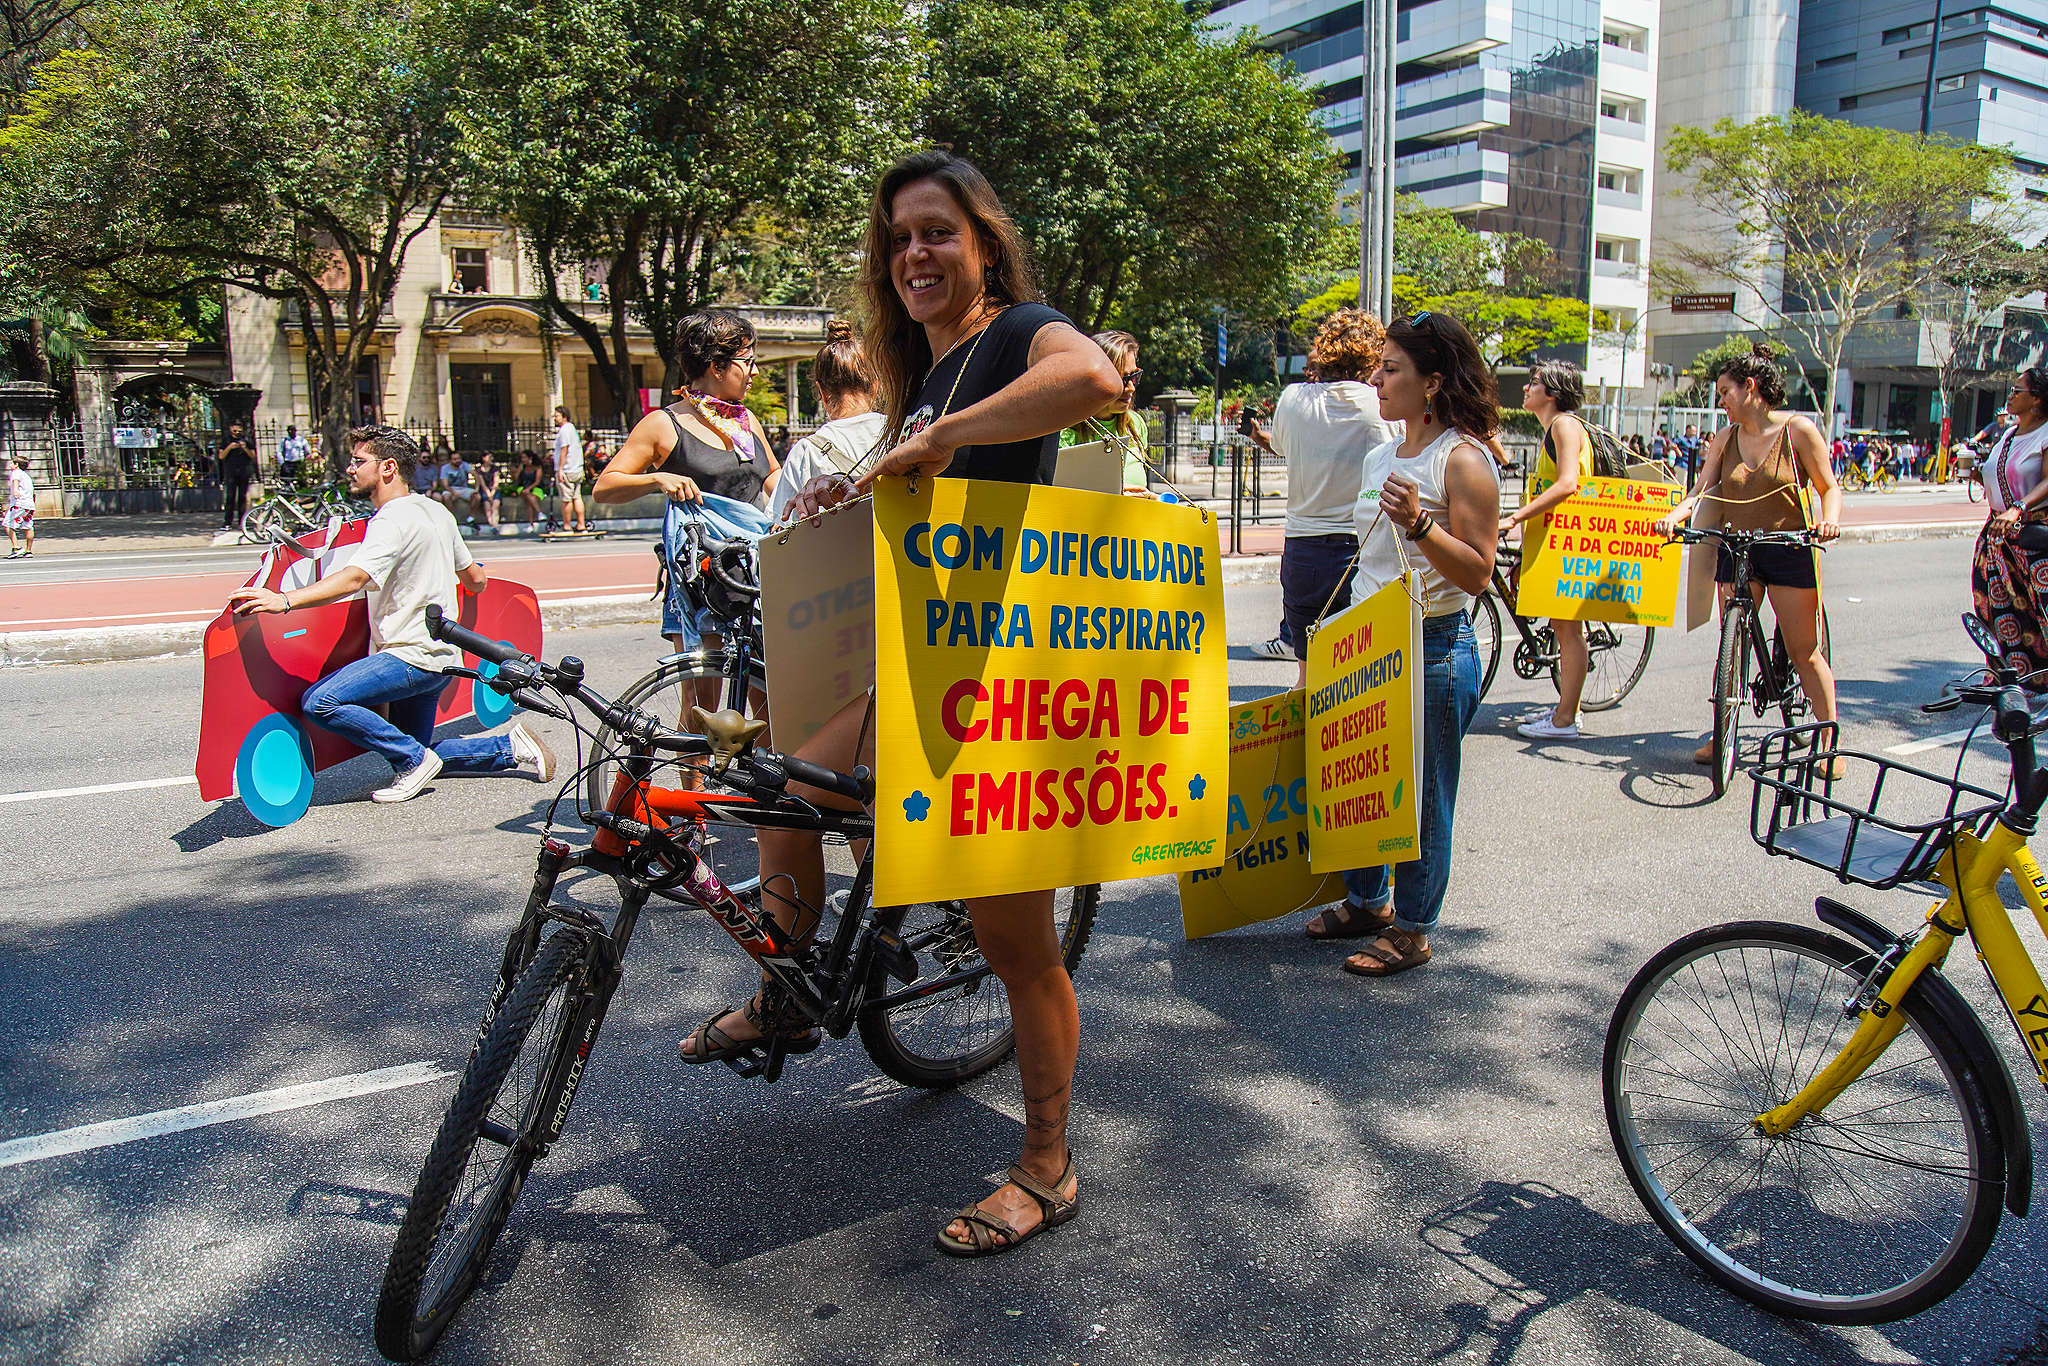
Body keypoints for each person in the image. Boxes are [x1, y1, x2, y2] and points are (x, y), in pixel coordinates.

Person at [768, 149, 1122, 1255]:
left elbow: (1096, 383)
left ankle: (1046, 1164)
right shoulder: (923, 368)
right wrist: (858, 478)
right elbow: (920, 485)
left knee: (1013, 941)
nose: (913, 253)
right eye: (896, 238)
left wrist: (936, 435)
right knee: (790, 795)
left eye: (935, 232)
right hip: (918, 663)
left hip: (1004, 683)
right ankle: (789, 992)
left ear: (981, 242)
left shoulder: (1018, 332)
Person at [1304, 311, 1499, 974]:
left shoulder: (1464, 460)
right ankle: (1367, 900)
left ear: (1433, 382)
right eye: (1378, 366)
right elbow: (1368, 560)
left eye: (1392, 370)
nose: (1377, 378)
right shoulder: (1383, 450)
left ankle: (1413, 928)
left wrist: (1420, 522)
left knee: (1424, 795)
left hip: (1434, 646)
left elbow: (1478, 570)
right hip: (1368, 642)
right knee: (1360, 773)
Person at [227, 426, 557, 802]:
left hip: (408, 656)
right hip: (443, 658)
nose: (350, 469)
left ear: (387, 468)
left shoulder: (389, 519)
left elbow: (355, 577)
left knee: (320, 702)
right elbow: (475, 580)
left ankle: (414, 762)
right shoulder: (436, 511)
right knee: (414, 747)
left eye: (358, 461)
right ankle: (510, 748)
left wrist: (283, 600)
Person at [1655, 342, 1842, 763]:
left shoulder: (1799, 431)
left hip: (1788, 546)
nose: (1720, 401)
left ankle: (1830, 744)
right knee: (1732, 643)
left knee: (1803, 651)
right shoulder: (1726, 438)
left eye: (1725, 392)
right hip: (1738, 547)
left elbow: (1829, 487)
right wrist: (1675, 516)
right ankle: (1723, 734)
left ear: (1750, 388)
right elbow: (1702, 490)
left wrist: (1828, 520)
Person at [1242, 309, 1395, 671]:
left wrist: (1256, 434)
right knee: (1357, 674)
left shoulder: (1293, 399)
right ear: (1372, 354)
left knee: (1309, 671)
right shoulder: (1380, 406)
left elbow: (1280, 446)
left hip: (1302, 550)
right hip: (1358, 549)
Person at [1502, 360, 1593, 741]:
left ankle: (1565, 720)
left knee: (1567, 631)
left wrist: (1515, 518)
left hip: (1569, 543)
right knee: (1563, 627)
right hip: (1554, 540)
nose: (1526, 389)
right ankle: (1563, 710)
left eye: (1534, 383)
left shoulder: (1564, 425)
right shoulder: (1552, 429)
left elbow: (1569, 483)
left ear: (1552, 392)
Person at [1972, 367, 2048, 686]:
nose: (2011, 396)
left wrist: (2018, 508)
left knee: (2039, 610)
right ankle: (2011, 675)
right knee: (1995, 607)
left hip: (2031, 538)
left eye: (2017, 391)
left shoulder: (2045, 434)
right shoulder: (2008, 433)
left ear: (2036, 400)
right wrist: (1977, 475)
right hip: (1997, 535)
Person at [767, 320, 887, 522]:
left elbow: (779, 523)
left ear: (822, 392)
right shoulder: (902, 433)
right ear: (875, 387)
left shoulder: (806, 450)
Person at [1059, 330, 1151, 494]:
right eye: (1121, 378)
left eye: (1134, 376)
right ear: (1091, 378)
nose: (1131, 387)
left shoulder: (1136, 424)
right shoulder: (1064, 431)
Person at [552, 405, 589, 532]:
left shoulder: (564, 430)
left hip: (568, 469)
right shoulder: (572, 428)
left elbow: (564, 450)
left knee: (566, 499)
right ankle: (581, 524)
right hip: (577, 468)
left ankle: (567, 525)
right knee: (576, 497)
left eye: (557, 416)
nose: (554, 418)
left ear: (564, 416)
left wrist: (560, 469)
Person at [219, 424, 257, 531]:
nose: (237, 433)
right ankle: (227, 522)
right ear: (231, 430)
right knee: (230, 497)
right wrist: (230, 447)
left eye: (239, 431)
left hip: (244, 472)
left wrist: (244, 448)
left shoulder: (246, 440)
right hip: (231, 472)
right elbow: (221, 456)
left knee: (242, 497)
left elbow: (253, 456)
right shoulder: (226, 441)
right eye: (234, 431)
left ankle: (242, 521)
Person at [5, 454, 34, 559]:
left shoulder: (15, 473)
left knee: (7, 523)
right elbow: (33, 493)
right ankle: (28, 551)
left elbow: (15, 483)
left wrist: (15, 491)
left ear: (16, 465)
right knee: (28, 526)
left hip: (19, 503)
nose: (10, 464)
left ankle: (16, 547)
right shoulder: (26, 476)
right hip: (29, 505)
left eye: (12, 462)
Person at [439, 451, 474, 521]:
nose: (458, 461)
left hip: (464, 489)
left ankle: (471, 517)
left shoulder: (464, 465)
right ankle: (451, 519)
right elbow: (445, 485)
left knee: (477, 496)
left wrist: (477, 488)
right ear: (450, 460)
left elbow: (475, 474)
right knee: (446, 497)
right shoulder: (445, 468)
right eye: (455, 459)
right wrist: (453, 492)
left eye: (459, 458)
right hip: (450, 489)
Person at [474, 452, 502, 528]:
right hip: (485, 491)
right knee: (487, 507)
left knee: (495, 507)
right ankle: (491, 524)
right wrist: (488, 494)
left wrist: (493, 492)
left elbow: (496, 481)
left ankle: (495, 525)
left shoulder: (495, 468)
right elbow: (482, 484)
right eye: (489, 457)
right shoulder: (479, 470)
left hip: (494, 490)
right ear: (483, 458)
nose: (491, 459)